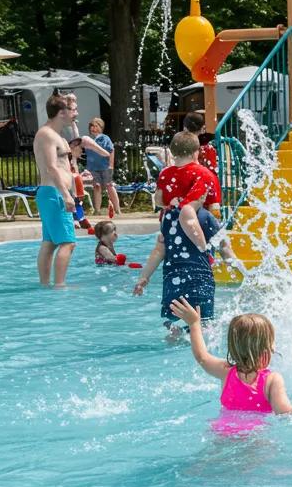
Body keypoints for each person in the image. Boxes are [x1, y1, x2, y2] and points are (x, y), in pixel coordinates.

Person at [170, 297, 292, 420]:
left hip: (222, 431)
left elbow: (201, 357)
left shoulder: (226, 371)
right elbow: (285, 411)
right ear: (268, 348)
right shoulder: (272, 380)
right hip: (254, 437)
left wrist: (194, 324)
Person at [133, 200, 214, 333]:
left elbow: (159, 250)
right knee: (203, 326)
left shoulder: (168, 216)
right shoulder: (206, 217)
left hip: (173, 283)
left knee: (173, 326)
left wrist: (144, 277)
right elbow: (224, 248)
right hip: (200, 282)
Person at [32, 94, 77, 287]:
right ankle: (60, 286)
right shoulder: (47, 135)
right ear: (61, 113)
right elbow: (52, 167)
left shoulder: (57, 136)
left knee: (50, 243)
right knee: (68, 243)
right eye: (73, 109)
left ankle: (45, 285)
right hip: (54, 194)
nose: (76, 113)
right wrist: (66, 195)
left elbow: (64, 166)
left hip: (54, 193)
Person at [153, 131, 219, 255]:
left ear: (172, 153)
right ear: (196, 153)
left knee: (174, 260)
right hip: (199, 227)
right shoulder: (204, 173)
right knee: (205, 260)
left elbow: (158, 200)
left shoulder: (164, 174)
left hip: (171, 225)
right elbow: (214, 208)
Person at [83, 117, 120, 217]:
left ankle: (117, 209)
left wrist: (111, 165)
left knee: (109, 186)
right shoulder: (89, 139)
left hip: (105, 167)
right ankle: (97, 210)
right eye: (92, 126)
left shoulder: (105, 138)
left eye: (96, 126)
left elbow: (111, 151)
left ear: (101, 127)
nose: (93, 128)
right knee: (97, 187)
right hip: (93, 168)